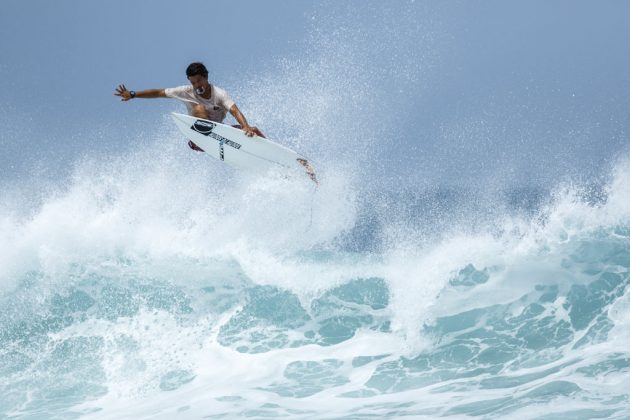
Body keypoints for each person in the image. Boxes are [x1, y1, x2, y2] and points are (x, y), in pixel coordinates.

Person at [115, 62, 264, 152]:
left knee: (254, 131)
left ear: (206, 77)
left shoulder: (219, 94)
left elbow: (234, 110)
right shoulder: (185, 92)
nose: (197, 85)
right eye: (193, 82)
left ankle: (275, 161)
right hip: (198, 139)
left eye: (199, 81)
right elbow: (159, 92)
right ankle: (206, 138)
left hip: (221, 133)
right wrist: (133, 94)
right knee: (199, 108)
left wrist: (245, 126)